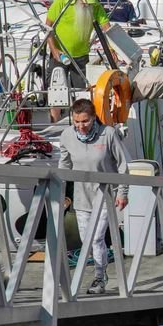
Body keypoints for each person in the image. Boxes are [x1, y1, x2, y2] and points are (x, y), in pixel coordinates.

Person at [59, 98, 129, 296]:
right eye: (77, 122)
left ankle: (100, 277)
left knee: (96, 238)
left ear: (93, 118)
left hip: (105, 195)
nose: (81, 126)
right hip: (82, 197)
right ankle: (97, 272)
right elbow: (64, 166)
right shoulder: (66, 136)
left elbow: (123, 164)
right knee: (86, 240)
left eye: (85, 121)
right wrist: (60, 191)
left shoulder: (108, 134)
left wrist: (123, 192)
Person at [46, 0, 112, 121]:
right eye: (85, 2)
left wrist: (112, 49)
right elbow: (48, 28)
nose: (87, 5)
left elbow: (107, 28)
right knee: (56, 91)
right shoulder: (62, 1)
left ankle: (79, 122)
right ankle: (54, 123)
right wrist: (54, 49)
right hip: (60, 55)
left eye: (90, 3)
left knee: (82, 93)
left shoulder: (95, 6)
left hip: (82, 56)